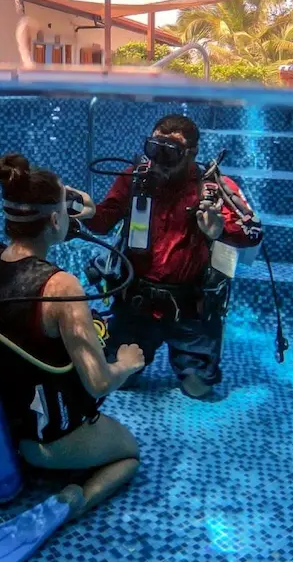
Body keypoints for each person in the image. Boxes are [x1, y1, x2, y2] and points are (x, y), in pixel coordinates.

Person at [0, 151, 144, 523]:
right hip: (46, 442)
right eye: (64, 206)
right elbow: (97, 383)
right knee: (129, 455)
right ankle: (77, 501)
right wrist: (127, 362)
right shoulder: (60, 287)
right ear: (57, 218)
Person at [85, 114, 263, 399]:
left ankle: (192, 361)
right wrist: (90, 212)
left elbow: (253, 232)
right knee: (119, 379)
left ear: (191, 154)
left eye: (170, 152)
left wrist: (221, 230)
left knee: (198, 388)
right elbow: (104, 221)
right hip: (138, 303)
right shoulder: (134, 178)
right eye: (154, 148)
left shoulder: (212, 187)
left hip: (189, 307)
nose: (159, 160)